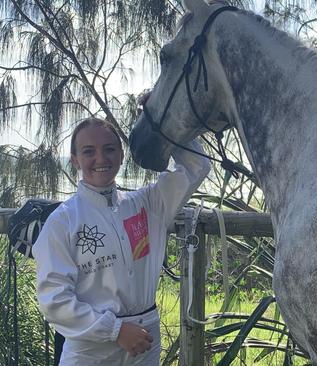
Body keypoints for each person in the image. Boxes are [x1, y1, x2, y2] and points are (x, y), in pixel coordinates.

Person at [32, 117, 211, 365]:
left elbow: (196, 166)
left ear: (121, 154)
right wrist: (115, 330)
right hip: (90, 349)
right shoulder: (62, 221)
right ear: (74, 159)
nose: (101, 159)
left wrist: (164, 118)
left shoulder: (148, 204)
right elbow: (54, 300)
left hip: (144, 339)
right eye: (88, 151)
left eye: (109, 149)